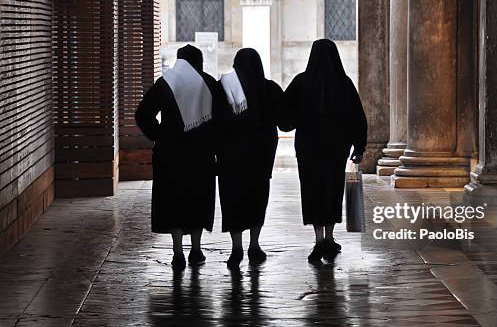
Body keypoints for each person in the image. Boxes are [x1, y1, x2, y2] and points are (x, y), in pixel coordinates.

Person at [135, 44, 227, 271]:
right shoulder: (209, 84)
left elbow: (142, 114)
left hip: (170, 154)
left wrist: (159, 135)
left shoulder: (167, 83)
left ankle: (177, 252)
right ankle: (196, 249)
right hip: (201, 154)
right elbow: (221, 119)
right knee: (198, 198)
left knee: (173, 200)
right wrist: (214, 144)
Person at [281, 39, 367, 263]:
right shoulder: (344, 83)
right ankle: (330, 236)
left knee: (311, 191)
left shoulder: (302, 81)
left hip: (309, 149)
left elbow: (285, 116)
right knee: (332, 190)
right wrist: (359, 146)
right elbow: (358, 117)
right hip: (336, 149)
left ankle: (319, 239)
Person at [217, 48, 283, 268]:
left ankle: (236, 248)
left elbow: (215, 121)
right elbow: (284, 120)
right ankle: (254, 244)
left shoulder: (223, 87)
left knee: (232, 201)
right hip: (260, 158)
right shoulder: (270, 89)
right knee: (257, 199)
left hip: (231, 157)